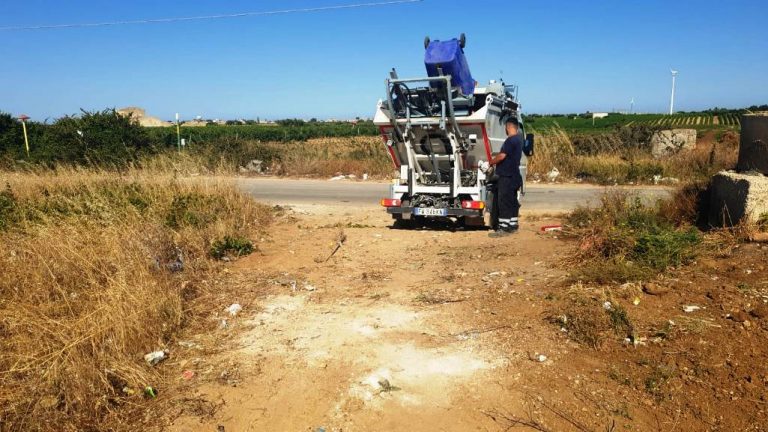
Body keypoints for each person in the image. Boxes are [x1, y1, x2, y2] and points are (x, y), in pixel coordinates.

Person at [486, 117, 523, 237]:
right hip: (515, 175)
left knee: (504, 201)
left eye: (505, 127)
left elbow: (502, 156)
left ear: (508, 127)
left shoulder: (510, 140)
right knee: (512, 201)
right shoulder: (519, 140)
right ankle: (513, 225)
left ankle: (503, 228)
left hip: (506, 175)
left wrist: (491, 162)